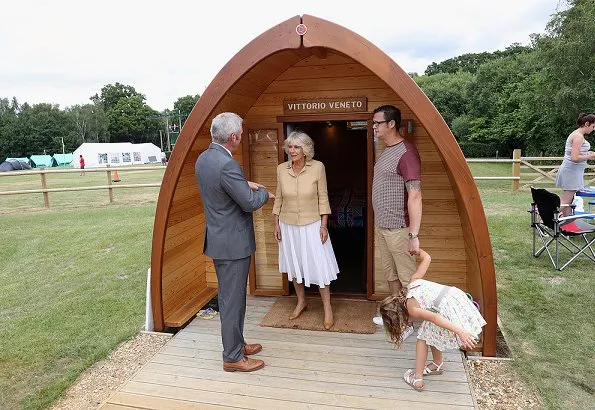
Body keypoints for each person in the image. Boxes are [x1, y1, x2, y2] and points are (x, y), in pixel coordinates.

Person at [195, 112, 274, 372]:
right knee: (231, 300)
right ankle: (232, 357)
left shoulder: (205, 158)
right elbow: (249, 203)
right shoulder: (228, 165)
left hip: (220, 240)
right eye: (240, 133)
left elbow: (221, 189)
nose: (240, 137)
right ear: (233, 137)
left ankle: (237, 344)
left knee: (233, 298)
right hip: (232, 244)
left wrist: (243, 183)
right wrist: (264, 192)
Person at [379, 249, 486, 392]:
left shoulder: (413, 309)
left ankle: (417, 379)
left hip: (447, 309)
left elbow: (436, 318)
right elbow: (427, 258)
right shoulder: (412, 282)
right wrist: (417, 251)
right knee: (429, 330)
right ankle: (437, 364)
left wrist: (460, 332)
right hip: (455, 295)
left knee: (422, 337)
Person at [272, 131, 339, 330]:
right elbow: (279, 197)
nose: (292, 151)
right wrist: (276, 223)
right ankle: (301, 301)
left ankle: (327, 307)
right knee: (294, 264)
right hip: (288, 224)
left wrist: (324, 225)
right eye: (290, 147)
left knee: (319, 265)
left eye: (297, 147)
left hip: (312, 224)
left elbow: (323, 197)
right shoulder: (281, 169)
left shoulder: (317, 167)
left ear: (305, 150)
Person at [371, 105, 422, 340]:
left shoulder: (406, 153)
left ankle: (409, 322)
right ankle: (396, 318)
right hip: (382, 227)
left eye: (377, 123)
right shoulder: (387, 150)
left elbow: (415, 195)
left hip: (399, 229)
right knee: (390, 275)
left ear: (391, 124)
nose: (374, 127)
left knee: (407, 279)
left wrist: (413, 235)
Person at [555, 112, 595, 216]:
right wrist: (590, 156)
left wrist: (587, 153)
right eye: (593, 126)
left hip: (573, 172)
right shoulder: (578, 137)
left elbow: (576, 153)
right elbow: (574, 158)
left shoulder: (578, 135)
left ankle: (565, 224)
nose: (593, 129)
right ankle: (542, 219)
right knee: (565, 203)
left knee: (569, 202)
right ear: (587, 124)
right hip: (571, 172)